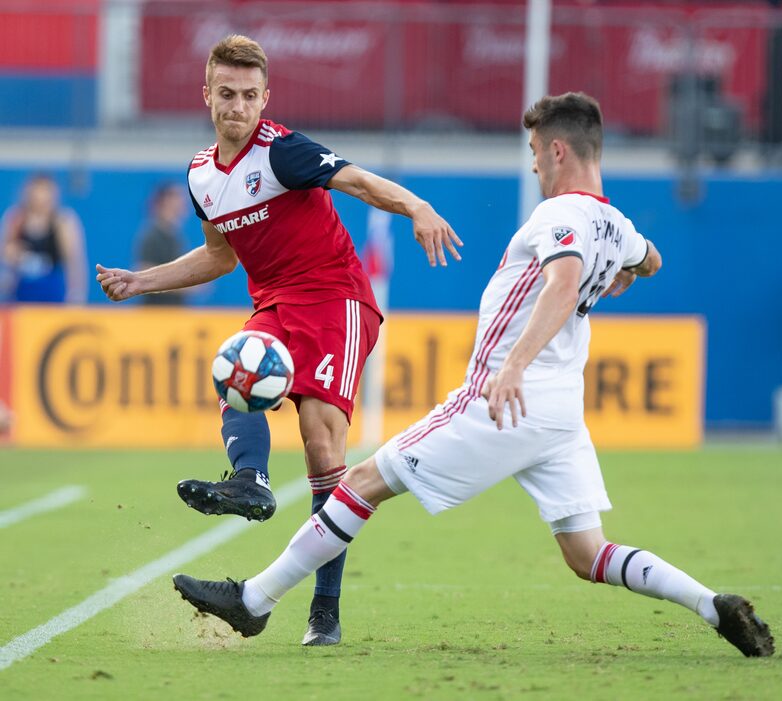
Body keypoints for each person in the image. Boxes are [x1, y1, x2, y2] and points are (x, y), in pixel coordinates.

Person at [171, 92, 774, 658]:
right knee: (587, 551)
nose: (535, 166)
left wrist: (512, 368)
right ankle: (710, 604)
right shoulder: (616, 226)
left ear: (558, 151)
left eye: (536, 154)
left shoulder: (558, 213)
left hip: (501, 401)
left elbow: (563, 283)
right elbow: (651, 259)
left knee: (359, 482)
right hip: (562, 416)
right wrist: (622, 271)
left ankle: (254, 601)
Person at [96, 34, 461, 646]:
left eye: (248, 95)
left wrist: (416, 206)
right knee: (234, 371)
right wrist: (141, 282)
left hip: (337, 299)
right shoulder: (200, 177)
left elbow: (361, 183)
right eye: (225, 94)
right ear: (207, 95)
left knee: (322, 447)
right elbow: (218, 257)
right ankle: (251, 482)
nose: (236, 106)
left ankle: (325, 608)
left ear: (265, 99)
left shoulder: (283, 153)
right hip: (275, 303)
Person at [0, 174, 87, 304]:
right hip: (21, 289)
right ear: (29, 194)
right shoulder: (16, 218)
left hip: (51, 290)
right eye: (38, 192)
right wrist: (14, 255)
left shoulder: (63, 221)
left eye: (46, 192)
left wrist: (76, 295)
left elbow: (74, 262)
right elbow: (4, 253)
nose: (41, 198)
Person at [134, 183, 189, 305]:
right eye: (178, 197)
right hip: (155, 314)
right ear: (166, 201)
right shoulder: (152, 235)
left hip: (174, 313)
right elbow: (142, 271)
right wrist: (189, 282)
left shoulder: (175, 236)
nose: (184, 203)